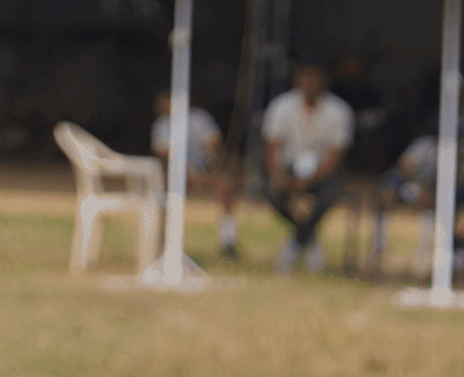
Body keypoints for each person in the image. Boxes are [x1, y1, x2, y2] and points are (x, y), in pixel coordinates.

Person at [385, 79, 464, 282]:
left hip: (462, 191)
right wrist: (423, 188)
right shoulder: (429, 143)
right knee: (416, 196)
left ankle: (458, 251)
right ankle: (438, 257)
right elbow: (404, 166)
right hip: (426, 190)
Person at [257, 62, 352, 272]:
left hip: (321, 172)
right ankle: (308, 238)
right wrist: (280, 175)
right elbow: (272, 148)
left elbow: (334, 157)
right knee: (268, 190)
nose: (309, 84)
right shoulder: (281, 106)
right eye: (305, 79)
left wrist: (310, 180)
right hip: (288, 166)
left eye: (314, 79)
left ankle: (296, 241)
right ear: (297, 82)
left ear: (323, 83)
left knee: (331, 193)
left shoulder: (339, 111)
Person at [150, 88, 241, 261]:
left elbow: (215, 147)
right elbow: (163, 158)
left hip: (205, 170)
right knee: (164, 193)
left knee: (226, 185)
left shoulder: (199, 118)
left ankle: (228, 243)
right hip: (176, 176)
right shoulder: (160, 127)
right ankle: (165, 241)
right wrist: (185, 174)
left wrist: (208, 170)